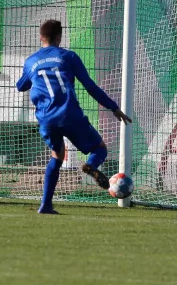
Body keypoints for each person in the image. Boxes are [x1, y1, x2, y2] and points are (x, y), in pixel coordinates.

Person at [16, 19, 132, 214]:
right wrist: (113, 107)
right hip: (69, 114)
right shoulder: (68, 57)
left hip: (46, 118)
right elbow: (89, 86)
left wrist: (36, 74)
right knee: (99, 149)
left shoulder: (31, 61)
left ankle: (45, 205)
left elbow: (21, 86)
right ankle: (90, 165)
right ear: (59, 37)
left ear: (40, 37)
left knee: (57, 155)